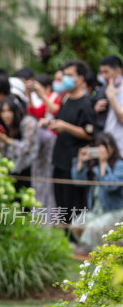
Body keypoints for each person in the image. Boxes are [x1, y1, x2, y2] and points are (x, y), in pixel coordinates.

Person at [50, 59, 96, 225]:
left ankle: (73, 242)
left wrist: (65, 127)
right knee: (60, 204)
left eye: (70, 75)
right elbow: (60, 121)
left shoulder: (86, 103)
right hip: (59, 159)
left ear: (81, 79)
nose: (66, 79)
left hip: (74, 162)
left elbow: (89, 133)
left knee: (73, 206)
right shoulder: (66, 99)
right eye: (65, 75)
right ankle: (62, 241)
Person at [71, 131, 123, 252]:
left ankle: (95, 253)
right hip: (96, 211)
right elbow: (78, 182)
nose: (99, 151)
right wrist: (81, 162)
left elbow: (111, 187)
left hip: (115, 212)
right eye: (96, 147)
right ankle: (89, 250)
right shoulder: (94, 166)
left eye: (102, 146)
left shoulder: (120, 165)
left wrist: (103, 164)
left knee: (92, 227)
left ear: (111, 147)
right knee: (76, 224)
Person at [0, 96, 39, 188]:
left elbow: (27, 149)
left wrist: (7, 141)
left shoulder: (27, 123)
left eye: (9, 110)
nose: (6, 115)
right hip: (12, 172)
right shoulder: (4, 126)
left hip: (30, 171)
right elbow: (3, 155)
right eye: (3, 111)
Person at [96, 55, 123, 155]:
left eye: (106, 72)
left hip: (120, 147)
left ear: (118, 71)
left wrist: (111, 98)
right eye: (101, 72)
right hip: (107, 146)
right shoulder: (104, 89)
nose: (103, 76)